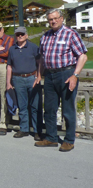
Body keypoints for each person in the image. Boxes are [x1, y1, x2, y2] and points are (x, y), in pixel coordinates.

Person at [34, 8, 87, 152]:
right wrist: (39, 74)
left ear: (61, 18)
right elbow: (41, 59)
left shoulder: (71, 34)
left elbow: (82, 56)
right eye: (50, 19)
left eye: (56, 18)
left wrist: (75, 75)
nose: (53, 21)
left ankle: (69, 140)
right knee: (49, 109)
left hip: (66, 74)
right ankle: (51, 138)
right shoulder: (45, 37)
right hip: (50, 75)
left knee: (68, 109)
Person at [6, 27, 42, 140]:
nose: (20, 36)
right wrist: (8, 82)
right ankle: (24, 129)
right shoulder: (12, 49)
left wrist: (39, 76)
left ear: (26, 35)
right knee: (22, 106)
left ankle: (37, 130)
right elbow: (9, 66)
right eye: (17, 34)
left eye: (22, 34)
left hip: (32, 77)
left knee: (35, 105)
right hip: (18, 79)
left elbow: (40, 62)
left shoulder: (33, 47)